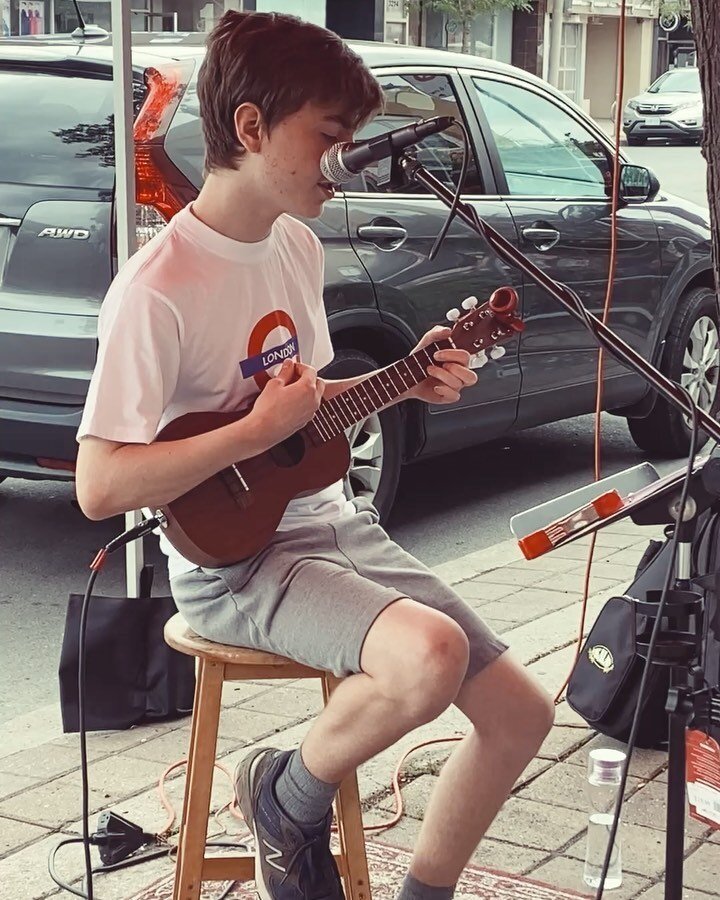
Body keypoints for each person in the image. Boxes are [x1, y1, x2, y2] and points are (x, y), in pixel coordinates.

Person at [75, 11, 554, 900]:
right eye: (332, 137)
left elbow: (304, 413)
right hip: (234, 565)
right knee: (429, 656)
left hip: (326, 529)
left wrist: (410, 380)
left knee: (523, 714)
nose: (350, 158)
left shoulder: (293, 244)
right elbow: (99, 486)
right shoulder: (158, 290)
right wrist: (255, 433)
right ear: (252, 128)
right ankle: (286, 796)